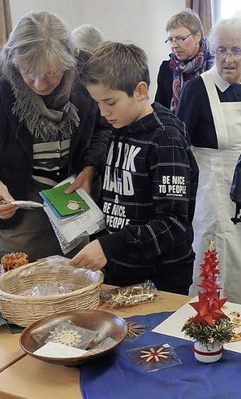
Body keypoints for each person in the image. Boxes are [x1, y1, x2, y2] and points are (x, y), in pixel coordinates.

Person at [0, 11, 111, 262]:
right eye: (29, 71)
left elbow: (103, 129)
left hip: (73, 206)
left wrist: (90, 169)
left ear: (69, 60)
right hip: (18, 208)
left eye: (53, 72)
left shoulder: (85, 70)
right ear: (12, 59)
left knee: (77, 288)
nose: (41, 84)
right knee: (19, 288)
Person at [70, 42, 198, 294]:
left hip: (161, 276)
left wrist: (111, 246)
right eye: (97, 103)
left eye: (110, 102)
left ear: (140, 91)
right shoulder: (119, 125)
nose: (103, 111)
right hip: (121, 269)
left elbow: (173, 224)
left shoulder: (166, 141)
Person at [176, 15, 241, 309]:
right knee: (214, 256)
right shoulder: (196, 90)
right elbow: (182, 148)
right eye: (221, 50)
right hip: (212, 189)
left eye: (236, 51)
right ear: (211, 51)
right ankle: (209, 322)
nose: (228, 59)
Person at [154, 8, 213, 111]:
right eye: (170, 40)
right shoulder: (166, 69)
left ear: (197, 36)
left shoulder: (213, 67)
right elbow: (160, 110)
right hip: (173, 126)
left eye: (181, 39)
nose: (174, 45)